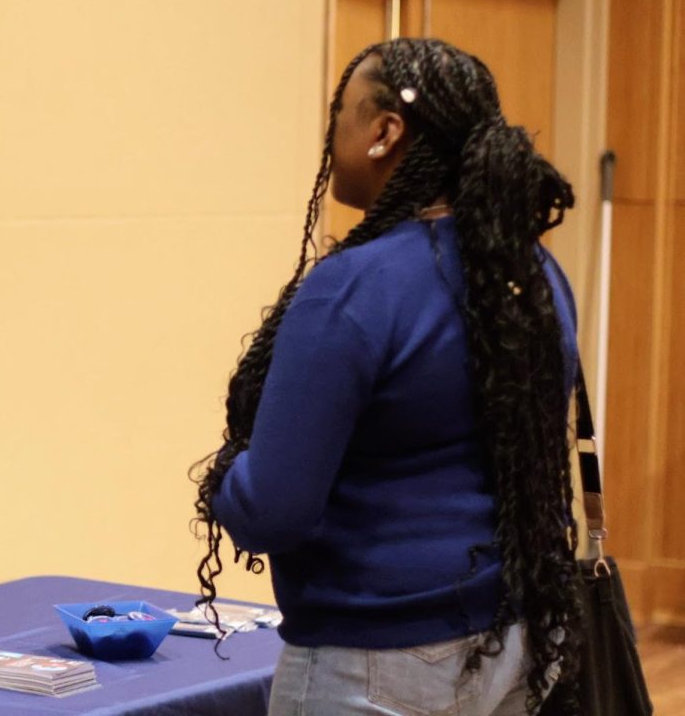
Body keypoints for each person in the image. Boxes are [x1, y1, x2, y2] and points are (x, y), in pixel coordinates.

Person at [192, 38, 585, 714]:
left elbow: (272, 510)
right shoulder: (535, 274)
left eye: (340, 111)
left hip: (375, 661)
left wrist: (225, 475)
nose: (330, 130)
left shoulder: (354, 287)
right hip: (515, 639)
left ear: (384, 133)